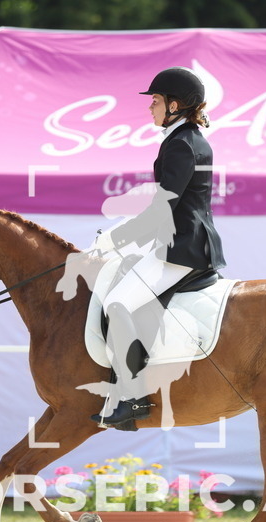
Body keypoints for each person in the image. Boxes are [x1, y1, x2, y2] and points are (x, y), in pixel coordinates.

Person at [86, 66, 227, 428]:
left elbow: (163, 206)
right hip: (176, 241)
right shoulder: (184, 139)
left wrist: (115, 238)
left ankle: (132, 398)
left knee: (118, 303)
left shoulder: (182, 145)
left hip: (184, 248)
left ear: (175, 105)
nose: (150, 108)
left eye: (156, 101)